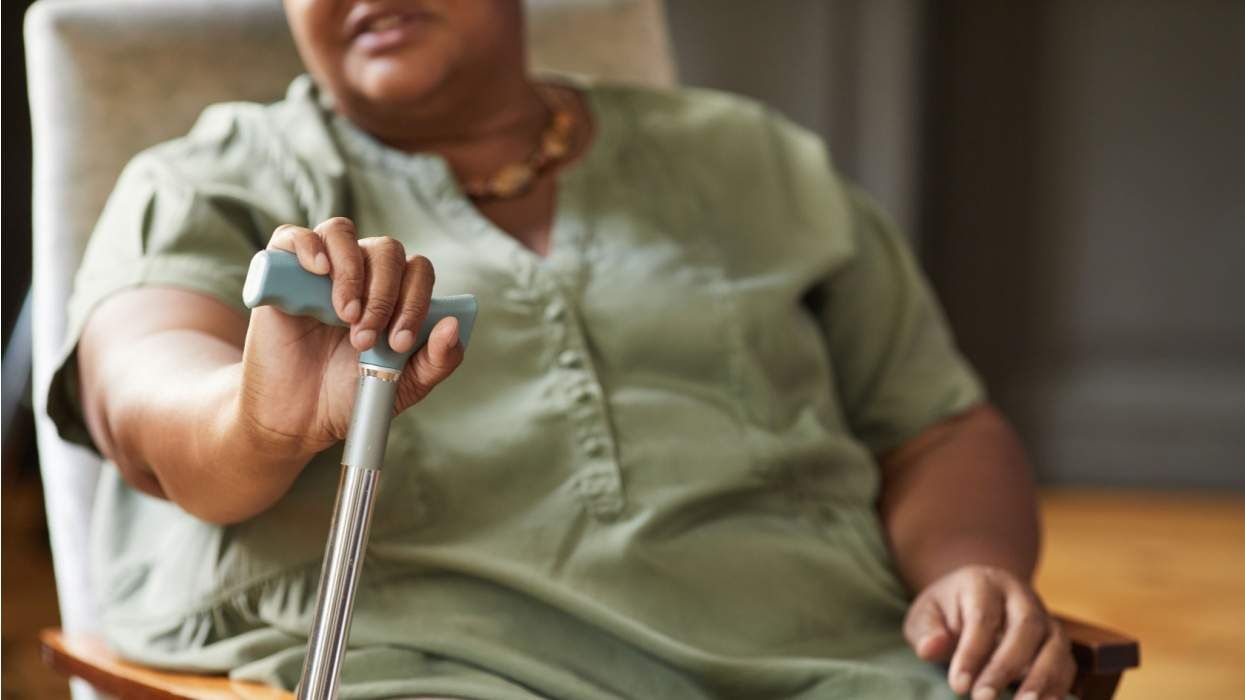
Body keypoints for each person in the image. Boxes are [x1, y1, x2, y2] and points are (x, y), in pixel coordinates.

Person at [48, 2, 1074, 699]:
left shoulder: (751, 157)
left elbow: (936, 427)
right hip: (424, 670)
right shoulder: (211, 182)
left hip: (833, 664)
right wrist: (258, 421)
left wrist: (971, 572)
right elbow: (142, 402)